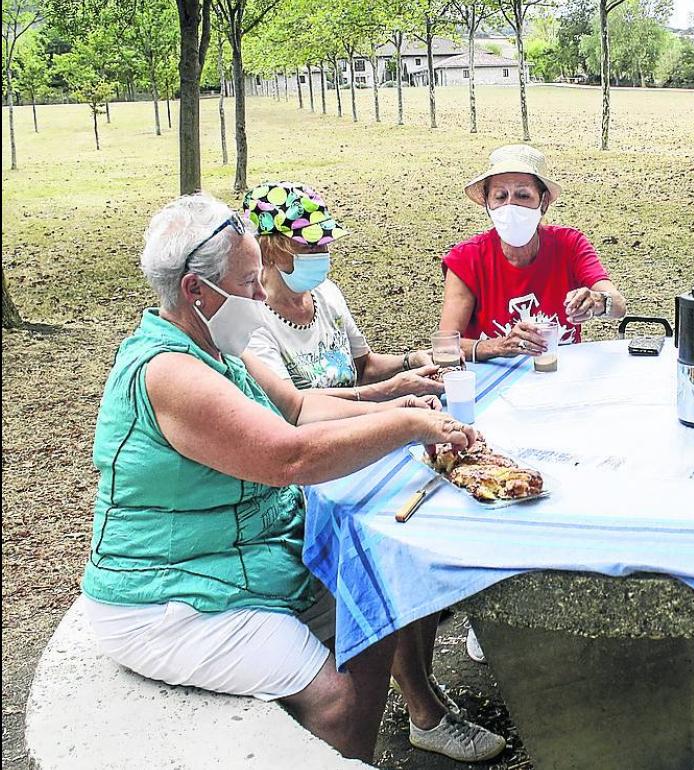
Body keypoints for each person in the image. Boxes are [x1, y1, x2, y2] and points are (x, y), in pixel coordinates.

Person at [80, 194, 506, 763]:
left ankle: (366, 746)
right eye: (250, 281)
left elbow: (301, 410)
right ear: (194, 290)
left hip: (237, 562)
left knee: (382, 595)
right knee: (336, 695)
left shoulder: (216, 348)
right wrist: (407, 424)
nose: (261, 295)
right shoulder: (171, 372)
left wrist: (418, 413)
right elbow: (290, 458)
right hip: (168, 595)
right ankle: (344, 741)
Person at [241, 181, 444, 400]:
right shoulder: (252, 321)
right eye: (309, 245)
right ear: (269, 250)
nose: (322, 253)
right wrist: (391, 390)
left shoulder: (326, 293)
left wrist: (411, 360)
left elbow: (364, 367)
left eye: (325, 243)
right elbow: (292, 408)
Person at [439, 144, 627, 363]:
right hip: (492, 382)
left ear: (543, 201)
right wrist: (500, 346)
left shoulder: (570, 245)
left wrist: (598, 301)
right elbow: (445, 345)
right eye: (500, 196)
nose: (511, 206)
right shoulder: (467, 259)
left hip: (559, 374)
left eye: (523, 195)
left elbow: (619, 305)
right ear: (487, 205)